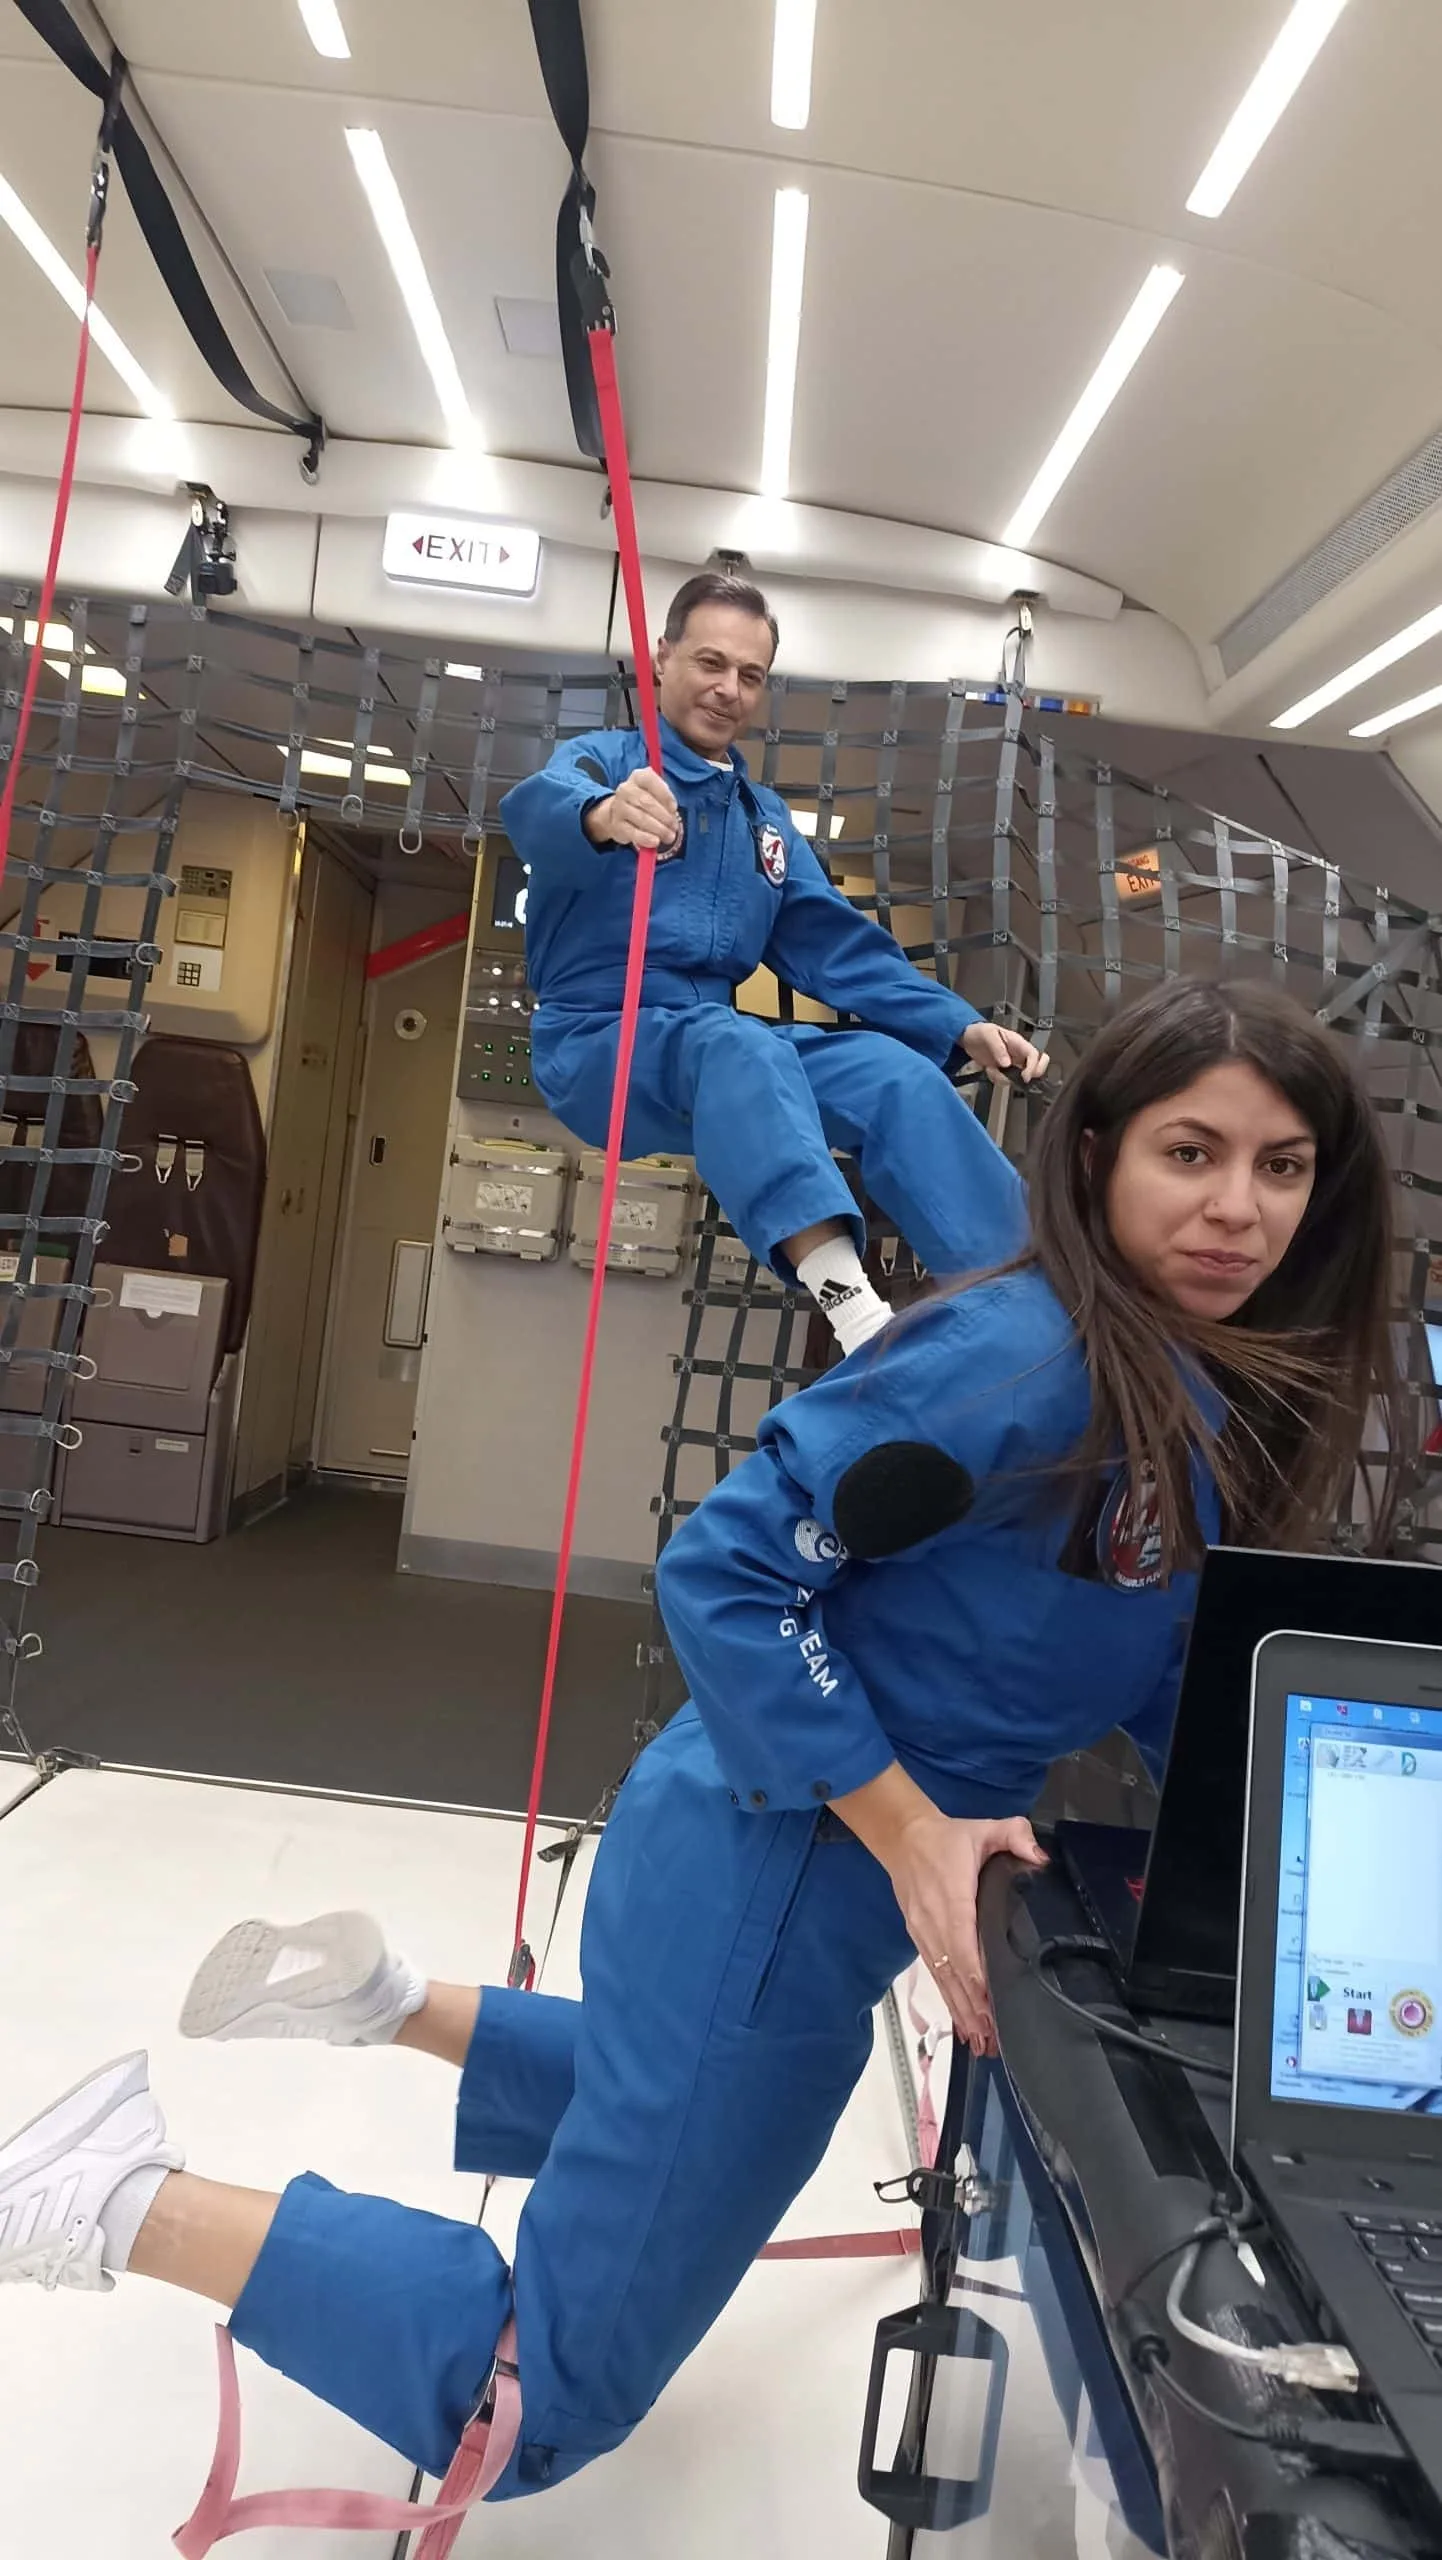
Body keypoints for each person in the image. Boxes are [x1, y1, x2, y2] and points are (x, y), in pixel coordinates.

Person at [0, 978, 1404, 2538]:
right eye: (1189, 1153)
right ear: (1095, 1160)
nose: (1235, 1208)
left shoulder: (1191, 1380)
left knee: (679, 2084)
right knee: (546, 2395)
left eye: (1280, 1167)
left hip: (774, 1879)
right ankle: (110, 2190)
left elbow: (1161, 1652)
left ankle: (380, 1999)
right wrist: (909, 1828)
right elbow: (730, 1575)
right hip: (773, 1864)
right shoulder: (1010, 1365)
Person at [498, 569, 1048, 1357]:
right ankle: (856, 1314)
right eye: (710, 663)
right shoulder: (604, 762)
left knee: (892, 1075)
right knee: (737, 1042)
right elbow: (537, 808)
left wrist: (961, 1028)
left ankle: (1030, 1307)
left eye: (750, 675)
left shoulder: (764, 825)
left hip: (716, 1050)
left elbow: (837, 946)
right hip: (597, 1046)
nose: (729, 689)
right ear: (663, 657)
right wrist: (605, 815)